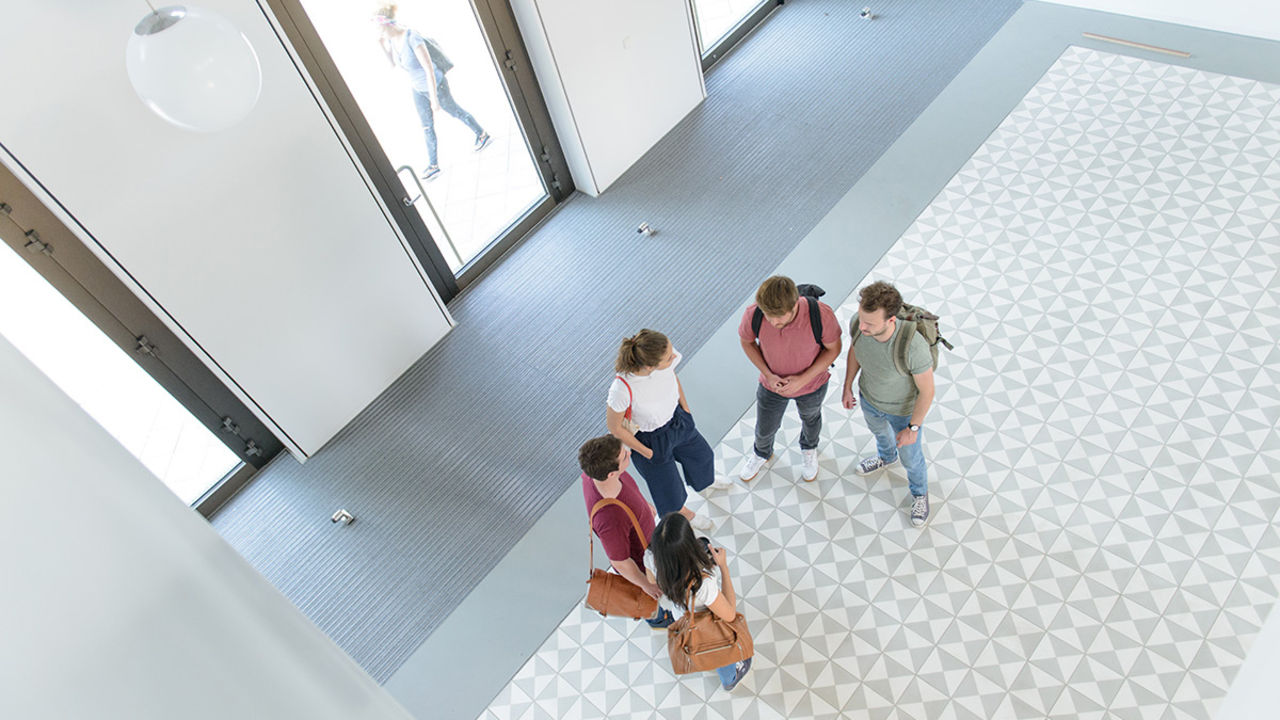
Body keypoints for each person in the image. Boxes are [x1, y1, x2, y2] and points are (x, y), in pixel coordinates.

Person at [606, 329, 729, 532]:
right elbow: (615, 427)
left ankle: (705, 482)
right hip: (650, 439)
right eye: (668, 357)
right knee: (667, 488)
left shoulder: (664, 359)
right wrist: (647, 453)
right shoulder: (621, 389)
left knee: (702, 456)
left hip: (677, 421)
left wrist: (685, 409)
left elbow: (672, 375)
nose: (674, 357)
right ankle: (685, 514)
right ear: (648, 366)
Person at [841, 281, 937, 526]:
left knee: (912, 459)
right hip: (869, 399)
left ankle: (919, 493)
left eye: (870, 324)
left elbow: (927, 392)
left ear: (890, 320)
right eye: (862, 319)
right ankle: (885, 457)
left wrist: (912, 428)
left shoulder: (912, 346)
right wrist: (848, 385)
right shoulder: (858, 324)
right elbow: (856, 350)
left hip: (903, 413)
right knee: (879, 434)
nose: (862, 327)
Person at [737, 276, 842, 482]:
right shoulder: (754, 314)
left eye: (780, 318)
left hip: (812, 385)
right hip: (771, 386)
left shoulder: (821, 315)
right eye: (769, 317)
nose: (774, 323)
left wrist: (802, 380)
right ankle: (761, 453)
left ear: (795, 304)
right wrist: (768, 374)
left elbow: (834, 349)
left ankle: (809, 449)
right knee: (765, 426)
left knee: (811, 419)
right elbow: (746, 341)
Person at [373, 4, 490, 181]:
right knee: (426, 125)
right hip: (417, 88)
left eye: (379, 29)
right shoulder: (390, 40)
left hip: (436, 84)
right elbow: (392, 65)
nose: (379, 33)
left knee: (454, 111)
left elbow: (428, 68)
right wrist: (382, 46)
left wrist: (434, 98)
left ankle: (481, 134)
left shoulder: (412, 37)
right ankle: (433, 165)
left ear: (388, 24)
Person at [647, 512, 752, 691]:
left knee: (700, 644)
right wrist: (724, 568)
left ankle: (707, 661)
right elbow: (729, 614)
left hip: (681, 615)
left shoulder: (650, 557)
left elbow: (652, 583)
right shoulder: (701, 584)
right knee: (721, 649)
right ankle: (730, 678)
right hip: (709, 626)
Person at [578, 435, 673, 628]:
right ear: (611, 474)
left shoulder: (592, 475)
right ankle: (658, 619)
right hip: (642, 562)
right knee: (646, 598)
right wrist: (647, 585)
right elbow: (620, 562)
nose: (629, 453)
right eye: (624, 457)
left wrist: (643, 506)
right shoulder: (611, 518)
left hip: (646, 537)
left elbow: (629, 492)